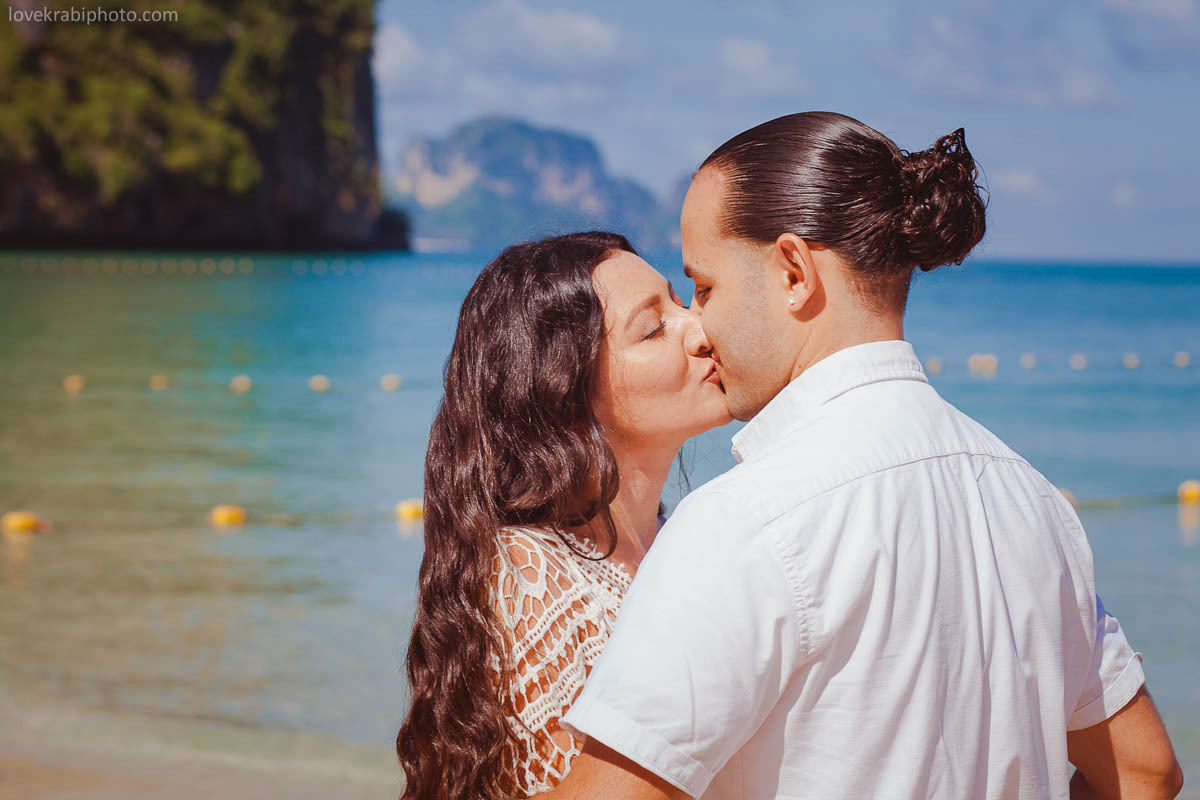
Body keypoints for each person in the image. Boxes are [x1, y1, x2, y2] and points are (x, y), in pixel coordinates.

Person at [540, 113, 1184, 799]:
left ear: (794, 273)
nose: (697, 325)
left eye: (704, 288)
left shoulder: (743, 522)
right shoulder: (1032, 500)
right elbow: (1147, 773)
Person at [395, 231, 732, 798]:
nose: (700, 330)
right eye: (653, 328)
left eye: (681, 302)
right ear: (565, 394)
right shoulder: (532, 578)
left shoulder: (676, 540)